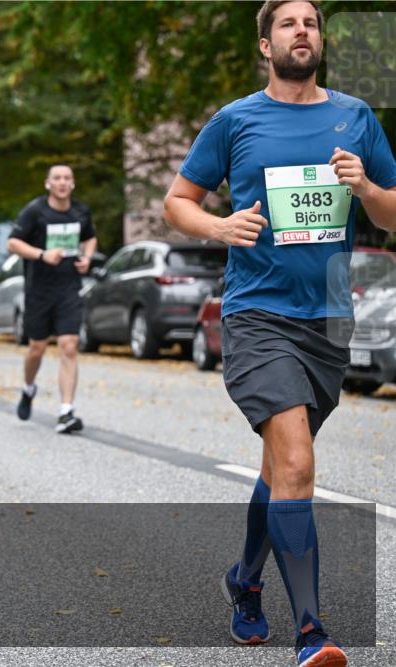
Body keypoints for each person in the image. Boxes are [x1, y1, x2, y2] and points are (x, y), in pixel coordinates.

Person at [164, 2, 396, 665]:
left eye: (311, 23)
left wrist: (366, 187)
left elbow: (392, 211)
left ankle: (244, 580)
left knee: (278, 468)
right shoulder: (236, 121)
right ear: (266, 45)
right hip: (258, 314)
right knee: (296, 463)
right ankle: (312, 633)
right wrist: (219, 226)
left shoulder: (357, 117)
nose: (302, 31)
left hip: (328, 317)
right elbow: (177, 201)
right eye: (288, 23)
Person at [7, 164, 97, 434]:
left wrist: (87, 258)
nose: (62, 182)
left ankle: (66, 411)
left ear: (73, 183)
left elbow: (90, 238)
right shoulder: (35, 211)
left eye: (67, 178)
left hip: (69, 288)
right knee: (37, 347)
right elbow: (12, 243)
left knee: (69, 346)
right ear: (48, 184)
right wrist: (41, 254)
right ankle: (28, 388)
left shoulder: (81, 211)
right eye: (57, 178)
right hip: (39, 291)